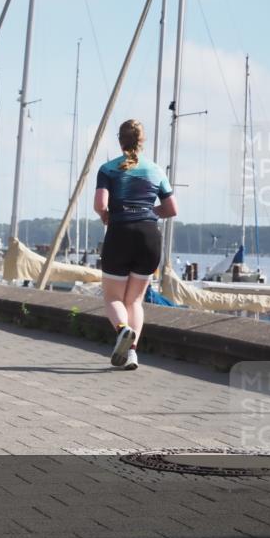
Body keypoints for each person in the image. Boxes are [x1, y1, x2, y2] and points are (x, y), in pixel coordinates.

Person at [94, 119, 178, 370]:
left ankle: (122, 330)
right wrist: (148, 212)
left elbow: (100, 205)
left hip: (120, 232)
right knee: (134, 302)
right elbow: (172, 208)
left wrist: (106, 216)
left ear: (120, 141)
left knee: (112, 298)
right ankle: (132, 353)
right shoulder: (156, 170)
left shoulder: (108, 169)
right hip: (149, 236)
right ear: (142, 142)